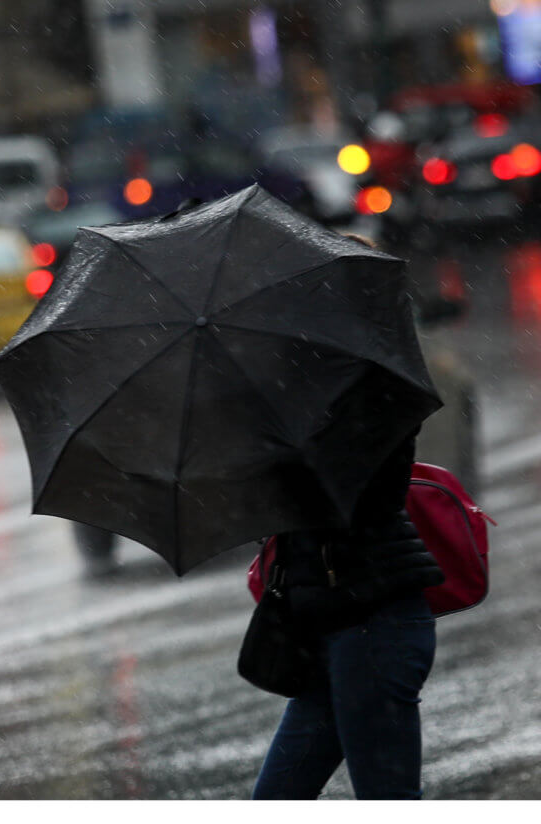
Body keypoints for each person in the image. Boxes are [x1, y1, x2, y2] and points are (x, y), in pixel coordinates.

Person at [251, 234, 446, 800]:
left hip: (373, 626)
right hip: (327, 630)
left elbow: (336, 492)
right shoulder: (304, 384)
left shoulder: (377, 386)